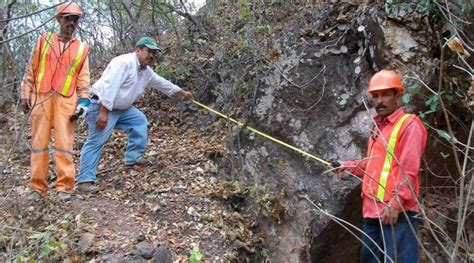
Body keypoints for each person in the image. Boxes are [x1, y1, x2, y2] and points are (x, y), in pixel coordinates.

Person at [331, 70, 428, 262]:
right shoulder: (379, 128)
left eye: (385, 94)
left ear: (397, 96)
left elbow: (409, 170)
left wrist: (395, 203)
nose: (379, 100)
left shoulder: (409, 125)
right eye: (375, 96)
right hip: (372, 213)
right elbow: (374, 166)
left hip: (397, 213)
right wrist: (346, 165)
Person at [76, 37, 194, 193]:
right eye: (148, 51)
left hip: (122, 109)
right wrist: (104, 114)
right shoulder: (123, 63)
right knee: (97, 140)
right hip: (101, 105)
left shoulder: (146, 71)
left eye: (153, 53)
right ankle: (84, 181)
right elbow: (109, 87)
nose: (151, 55)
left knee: (139, 121)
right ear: (138, 50)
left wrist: (182, 93)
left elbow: (162, 83)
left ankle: (133, 157)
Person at [20, 2, 91, 201]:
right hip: (41, 97)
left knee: (64, 144)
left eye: (75, 19)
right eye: (68, 18)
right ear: (58, 19)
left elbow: (84, 79)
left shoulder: (82, 49)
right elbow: (31, 69)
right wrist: (26, 92)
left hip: (67, 100)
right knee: (39, 143)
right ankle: (37, 187)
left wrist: (84, 101)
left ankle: (64, 187)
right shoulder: (44, 41)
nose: (72, 22)